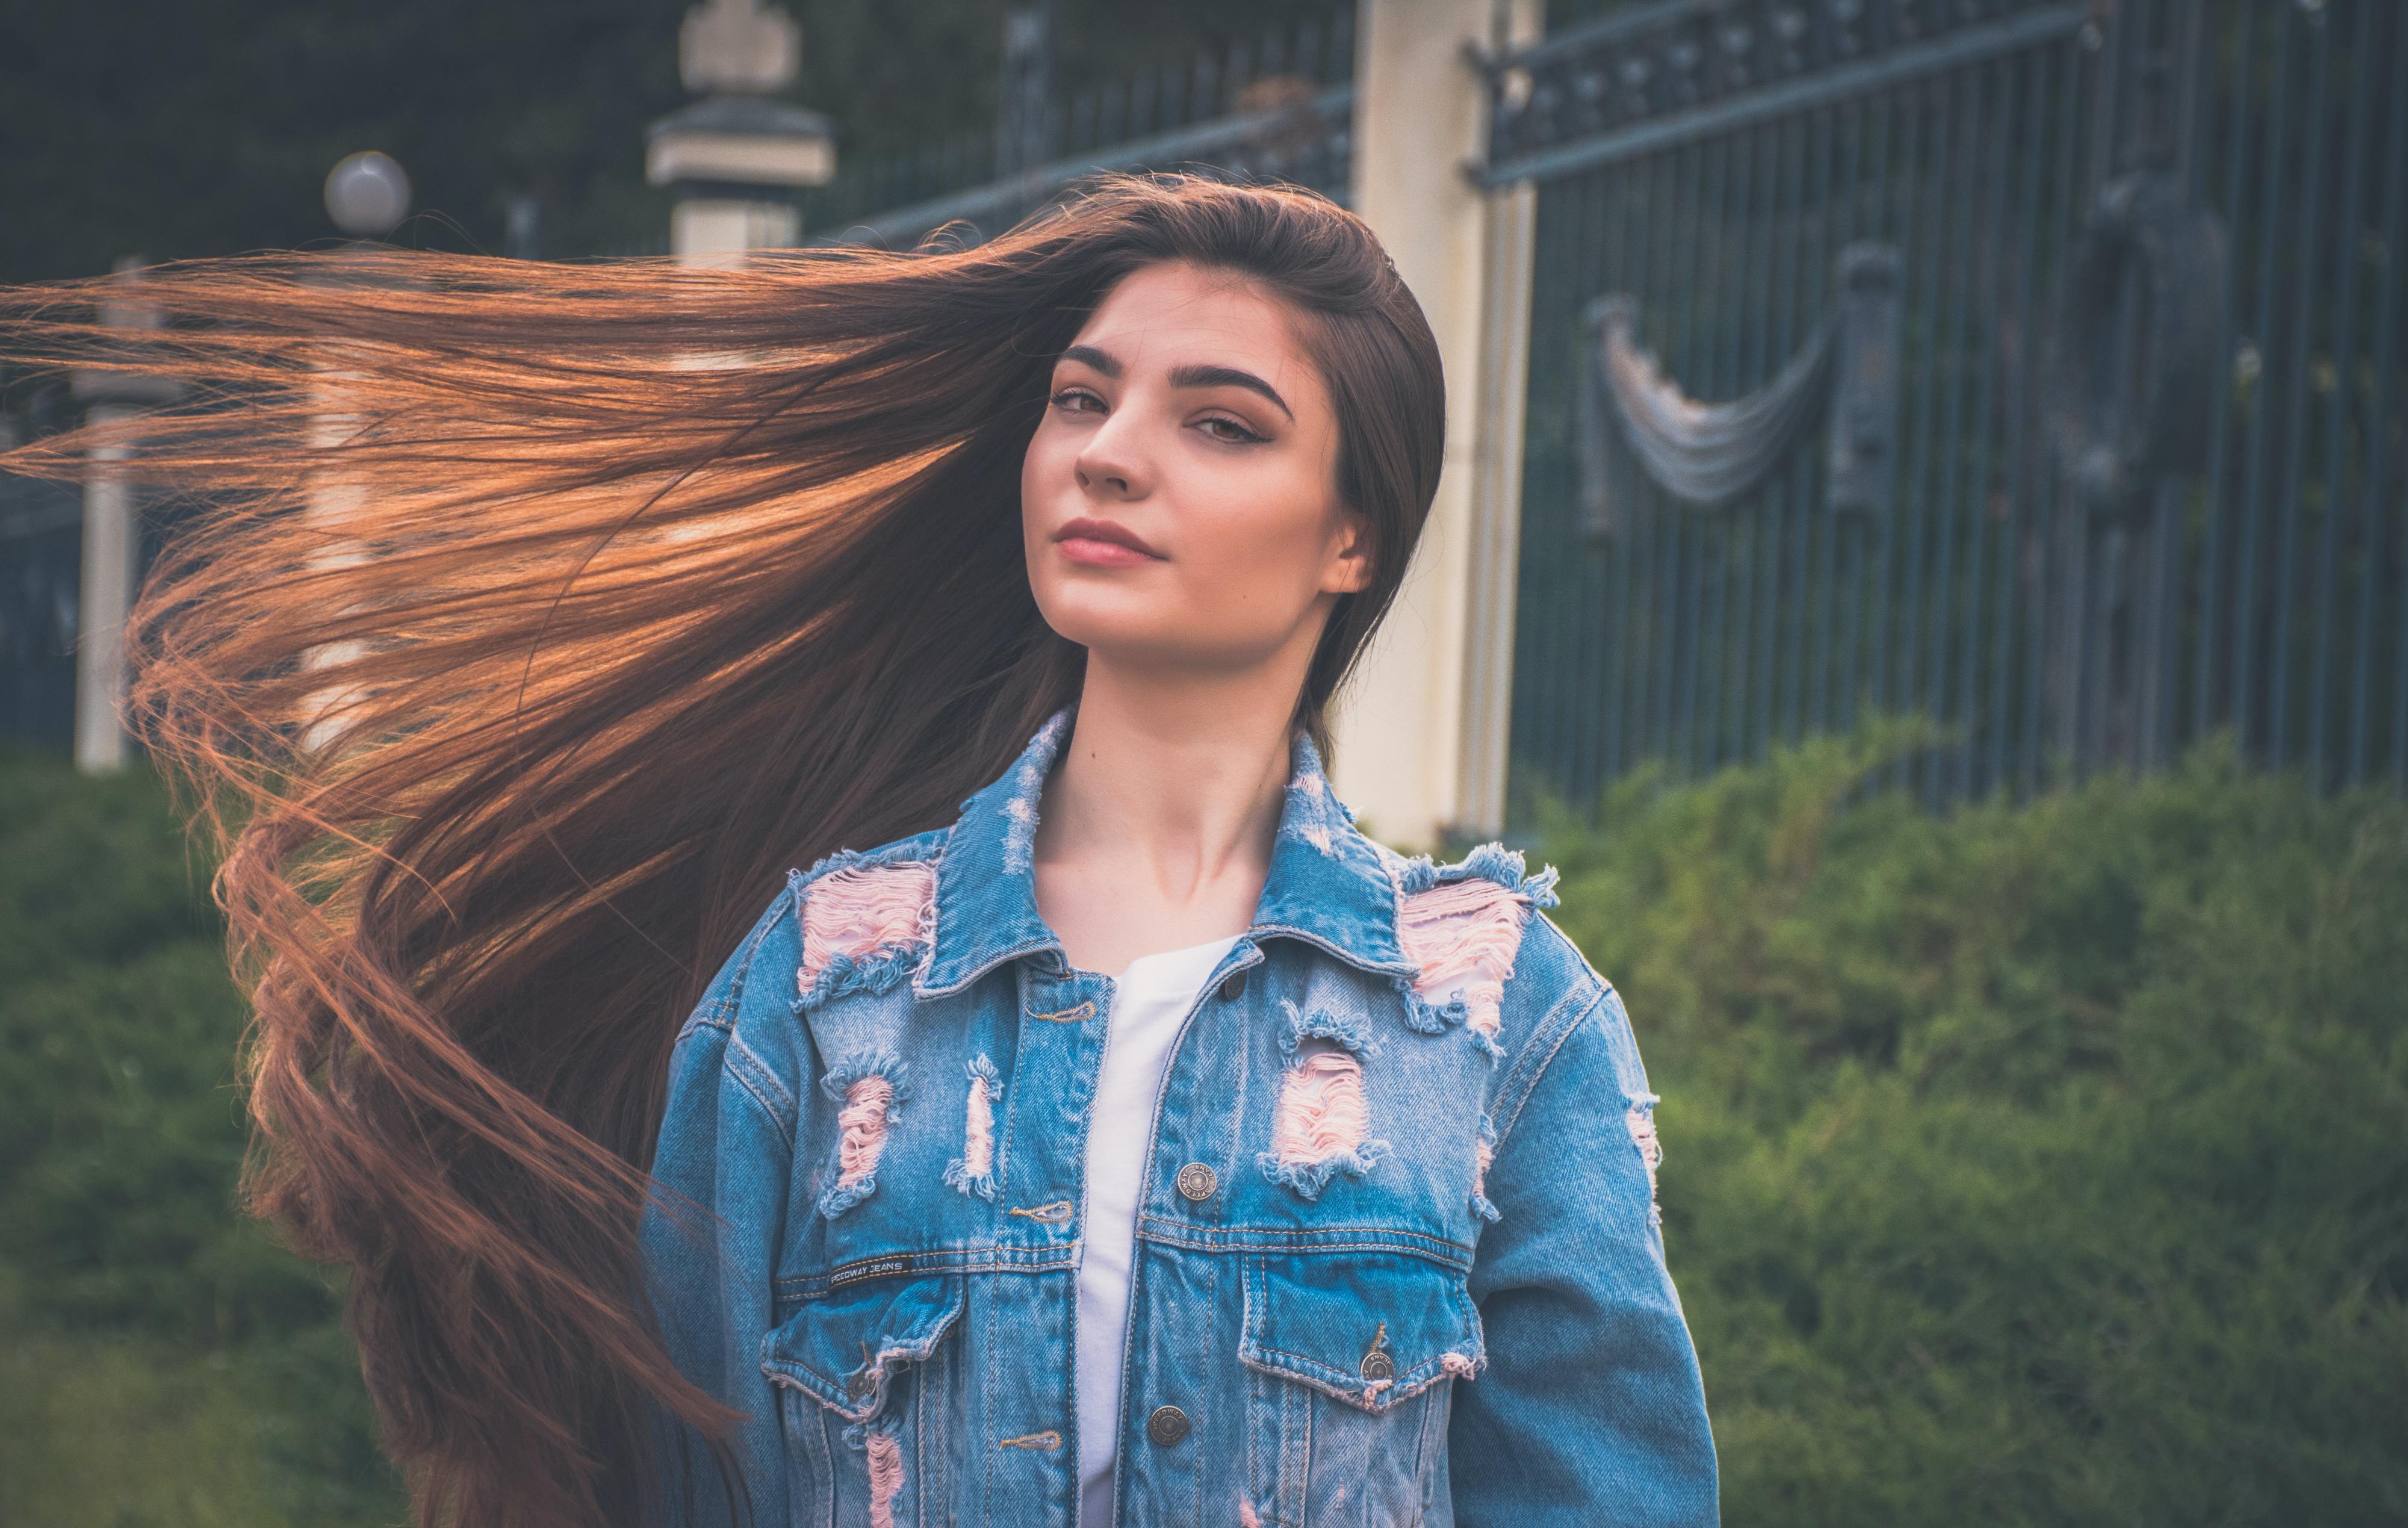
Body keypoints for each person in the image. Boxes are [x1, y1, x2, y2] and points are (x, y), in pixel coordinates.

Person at [0, 172, 1716, 1527]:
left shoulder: (1498, 1021)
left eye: (1219, 422)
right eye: (1081, 398)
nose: (1109, 453)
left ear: (1353, 532)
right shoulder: (823, 990)